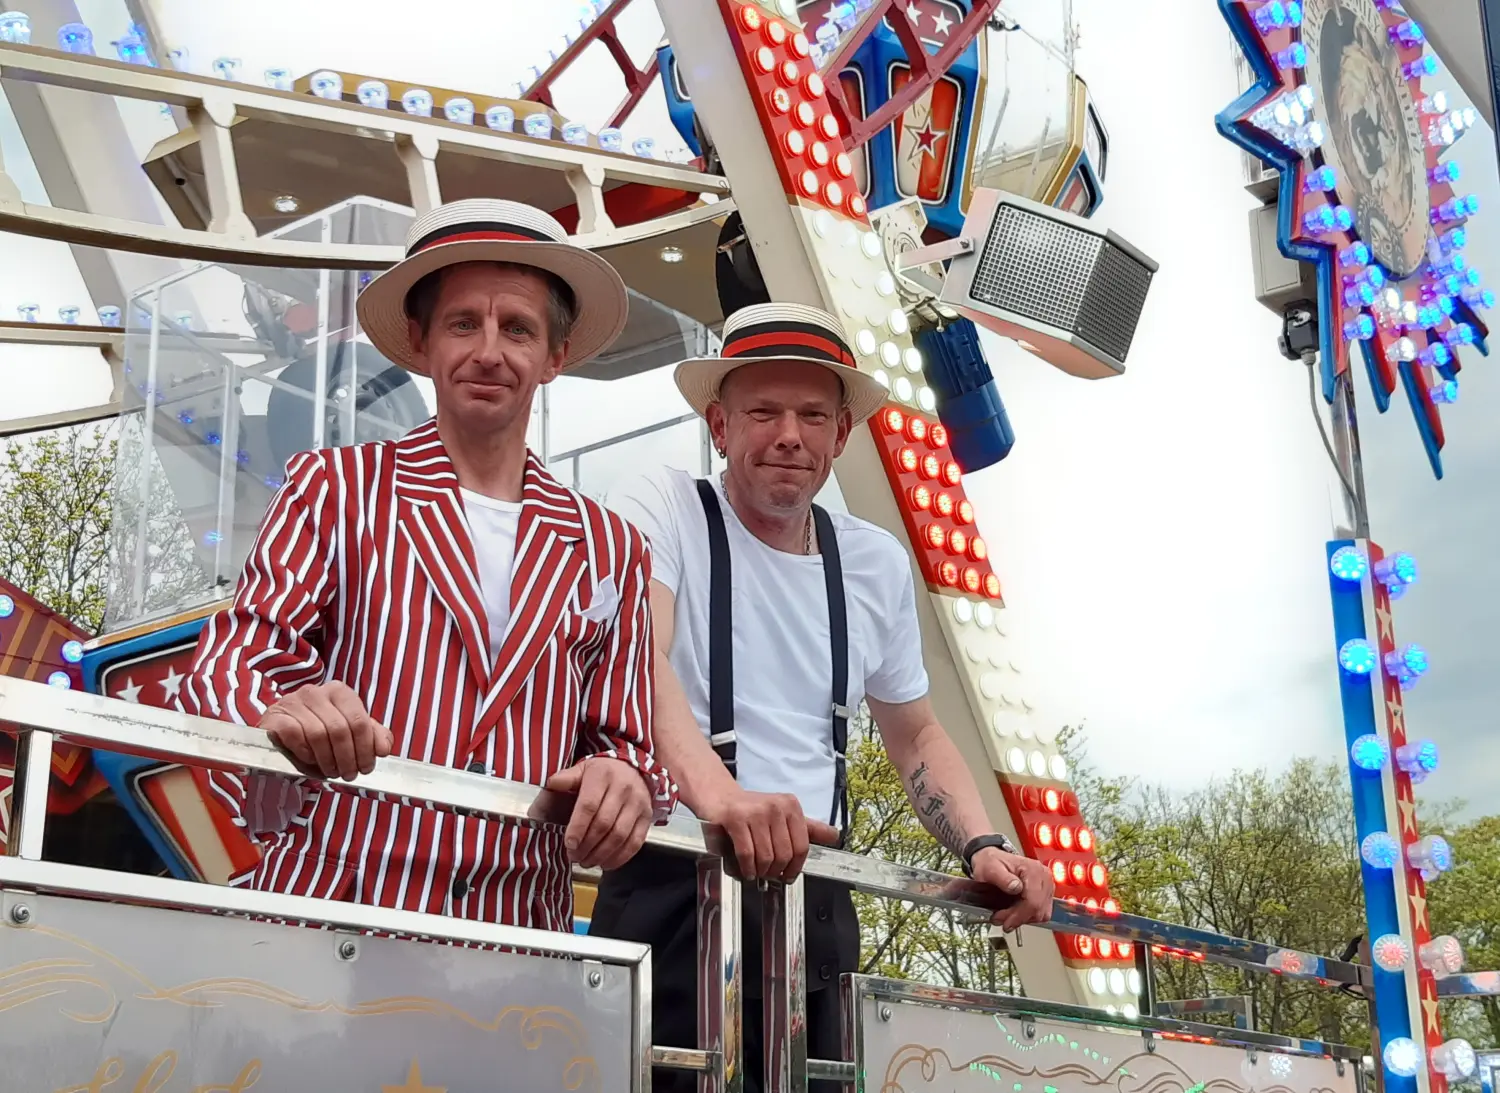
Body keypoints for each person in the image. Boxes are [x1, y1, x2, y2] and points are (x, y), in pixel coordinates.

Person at [588, 302, 1056, 1090]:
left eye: (812, 415)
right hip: (675, 881)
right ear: (719, 424)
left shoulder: (872, 562)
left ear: (841, 435)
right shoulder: (666, 505)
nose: (789, 436)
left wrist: (983, 844)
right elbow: (642, 657)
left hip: (818, 904)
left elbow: (916, 735)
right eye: (763, 411)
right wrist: (724, 800)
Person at [183, 198, 675, 930]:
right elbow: (226, 672)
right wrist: (281, 711)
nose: (489, 350)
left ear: (555, 356)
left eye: (517, 327)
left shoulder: (612, 545)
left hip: (517, 954)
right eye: (462, 322)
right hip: (330, 923)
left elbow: (628, 744)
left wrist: (625, 781)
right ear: (419, 341)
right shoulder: (334, 487)